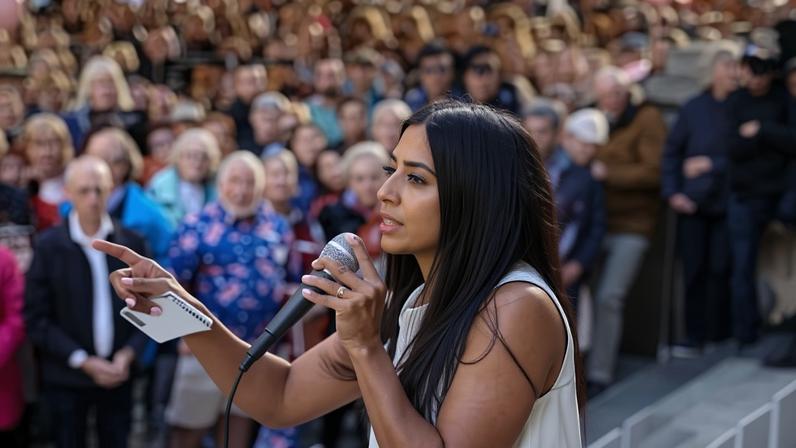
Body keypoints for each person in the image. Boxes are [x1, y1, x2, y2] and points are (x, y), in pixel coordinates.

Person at [94, 101, 582, 447]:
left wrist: (367, 347)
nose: (384, 192)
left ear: (477, 196)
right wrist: (176, 306)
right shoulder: (409, 304)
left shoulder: (517, 308)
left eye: (414, 178)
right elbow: (278, 396)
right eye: (392, 170)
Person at [24, 156, 149, 448]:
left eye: (99, 190)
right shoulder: (48, 246)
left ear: (110, 190)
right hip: (67, 377)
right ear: (68, 193)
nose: (93, 199)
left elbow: (152, 307)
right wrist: (82, 360)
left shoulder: (131, 243)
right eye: (84, 190)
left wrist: (128, 354)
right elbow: (37, 317)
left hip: (120, 374)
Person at [661, 50, 738, 355]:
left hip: (730, 202)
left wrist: (711, 164)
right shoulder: (694, 108)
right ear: (714, 71)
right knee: (693, 270)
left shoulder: (742, 107)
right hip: (693, 203)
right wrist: (673, 192)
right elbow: (672, 153)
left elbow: (748, 155)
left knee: (722, 268)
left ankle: (721, 335)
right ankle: (694, 337)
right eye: (728, 66)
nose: (734, 72)